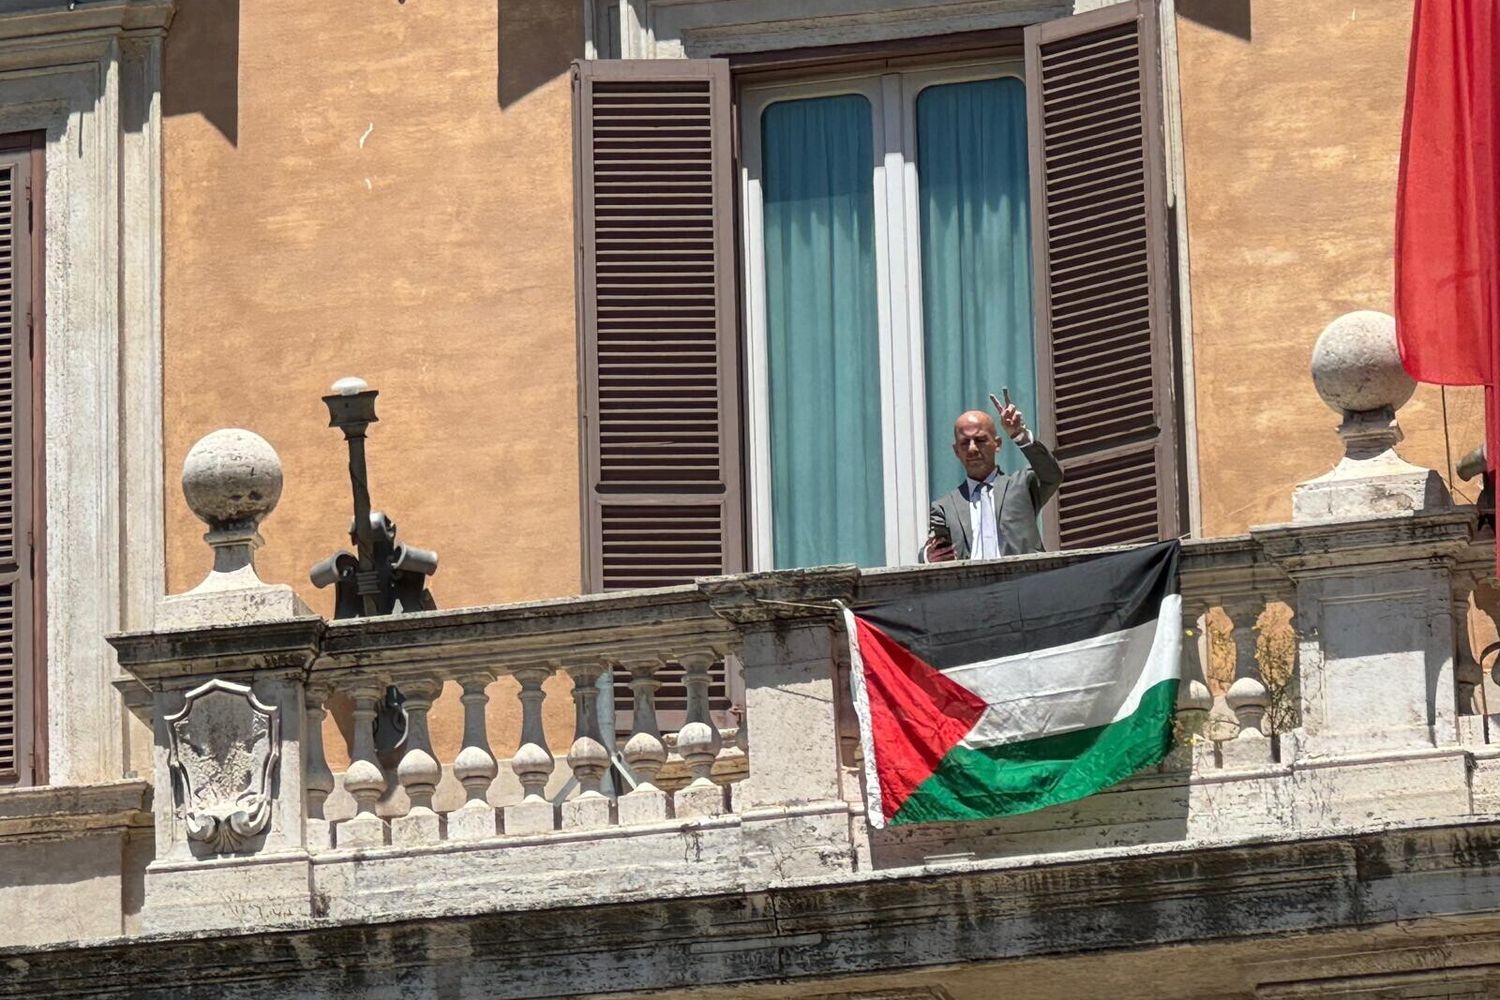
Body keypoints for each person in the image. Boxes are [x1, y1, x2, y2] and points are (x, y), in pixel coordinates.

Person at [923, 393, 1063, 562]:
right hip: (969, 578)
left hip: (1022, 576)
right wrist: (927, 556)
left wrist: (1020, 435)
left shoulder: (1022, 486)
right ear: (956, 451)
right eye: (965, 443)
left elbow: (1052, 475)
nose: (972, 448)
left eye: (980, 440)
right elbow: (934, 549)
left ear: (997, 444)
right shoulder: (944, 508)